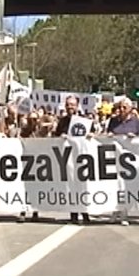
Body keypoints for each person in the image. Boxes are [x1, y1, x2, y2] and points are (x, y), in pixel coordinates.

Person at [55, 96, 91, 224]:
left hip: (82, 159)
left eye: (73, 104)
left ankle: (86, 214)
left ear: (77, 106)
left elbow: (92, 136)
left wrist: (90, 136)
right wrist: (61, 137)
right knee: (71, 186)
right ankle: (74, 215)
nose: (70, 107)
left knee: (84, 186)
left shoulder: (84, 121)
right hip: (68, 159)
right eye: (68, 104)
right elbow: (56, 136)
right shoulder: (62, 122)